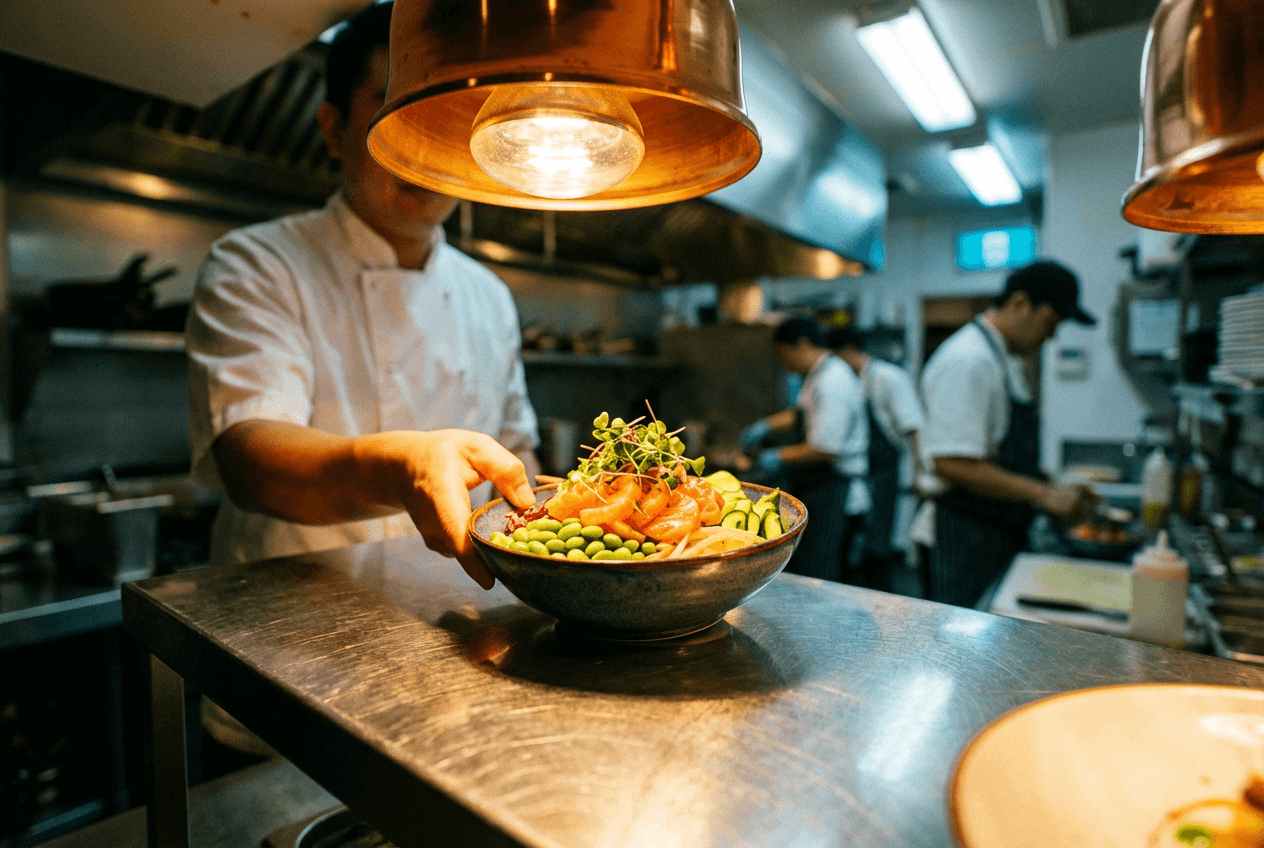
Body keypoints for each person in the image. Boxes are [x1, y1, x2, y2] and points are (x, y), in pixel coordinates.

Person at [185, 0, 540, 590]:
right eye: (394, 107)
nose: (423, 144)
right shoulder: (257, 263)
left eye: (446, 114)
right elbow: (250, 460)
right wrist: (400, 470)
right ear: (333, 129)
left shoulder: (489, 295)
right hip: (288, 622)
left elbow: (521, 465)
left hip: (457, 612)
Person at [914, 260, 1100, 608]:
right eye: (1050, 322)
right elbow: (950, 462)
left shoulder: (1002, 360)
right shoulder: (969, 360)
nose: (1052, 336)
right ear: (1019, 304)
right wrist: (1043, 494)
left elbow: (999, 454)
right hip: (962, 534)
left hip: (992, 529)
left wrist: (1053, 485)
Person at [738, 317, 869, 583]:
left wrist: (772, 458)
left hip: (836, 489)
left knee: (822, 576)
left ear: (802, 344)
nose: (784, 362)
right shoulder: (819, 374)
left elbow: (825, 448)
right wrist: (766, 426)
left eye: (784, 353)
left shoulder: (833, 380)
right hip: (823, 486)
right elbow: (801, 414)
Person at [830, 325, 924, 593]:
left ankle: (881, 600)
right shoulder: (851, 379)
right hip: (858, 471)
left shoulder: (889, 377)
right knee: (853, 543)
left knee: (877, 542)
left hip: (884, 470)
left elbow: (913, 427)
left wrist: (919, 474)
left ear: (846, 350)